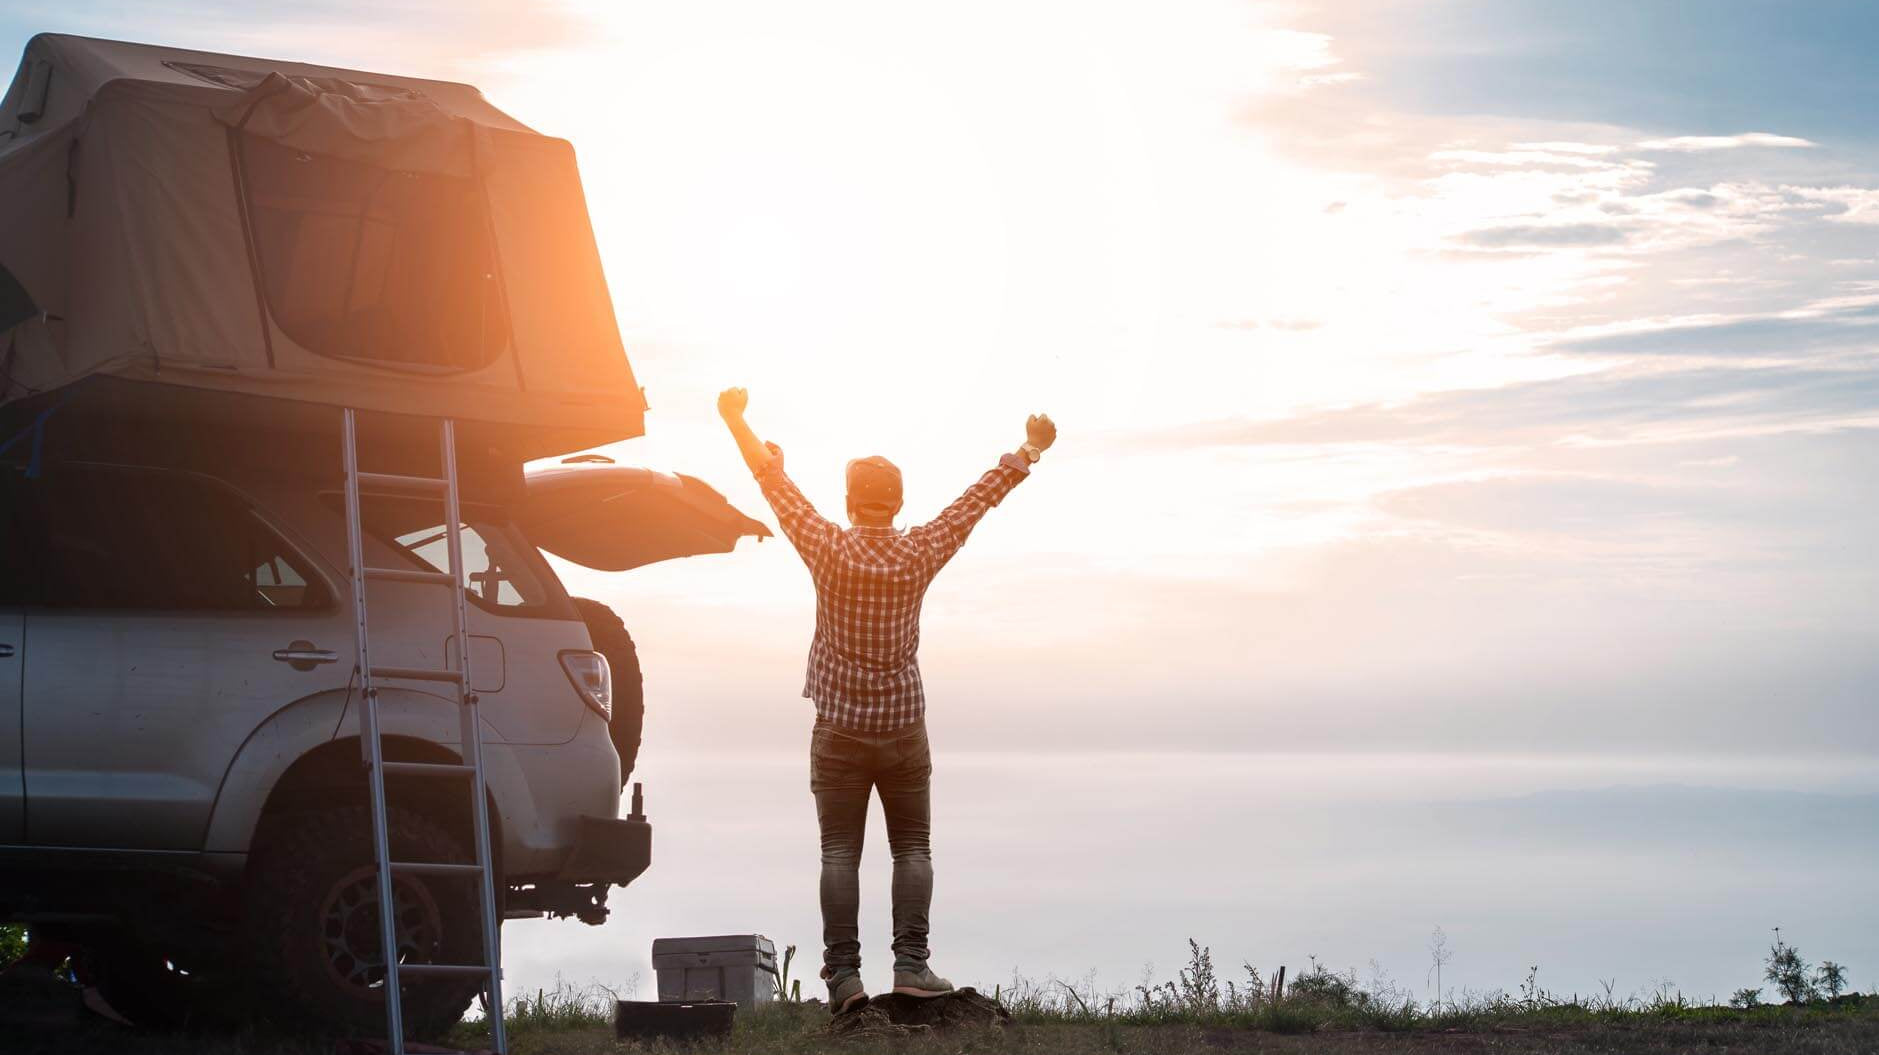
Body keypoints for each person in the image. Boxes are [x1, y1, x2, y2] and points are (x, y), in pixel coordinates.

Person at [717, 387, 1056, 1014]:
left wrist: (736, 420)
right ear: (898, 504)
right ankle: (912, 966)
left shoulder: (827, 546)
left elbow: (770, 484)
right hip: (904, 728)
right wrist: (1028, 450)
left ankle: (844, 979)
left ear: (849, 503)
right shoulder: (919, 550)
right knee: (914, 849)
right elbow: (974, 503)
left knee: (839, 853)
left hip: (838, 730)